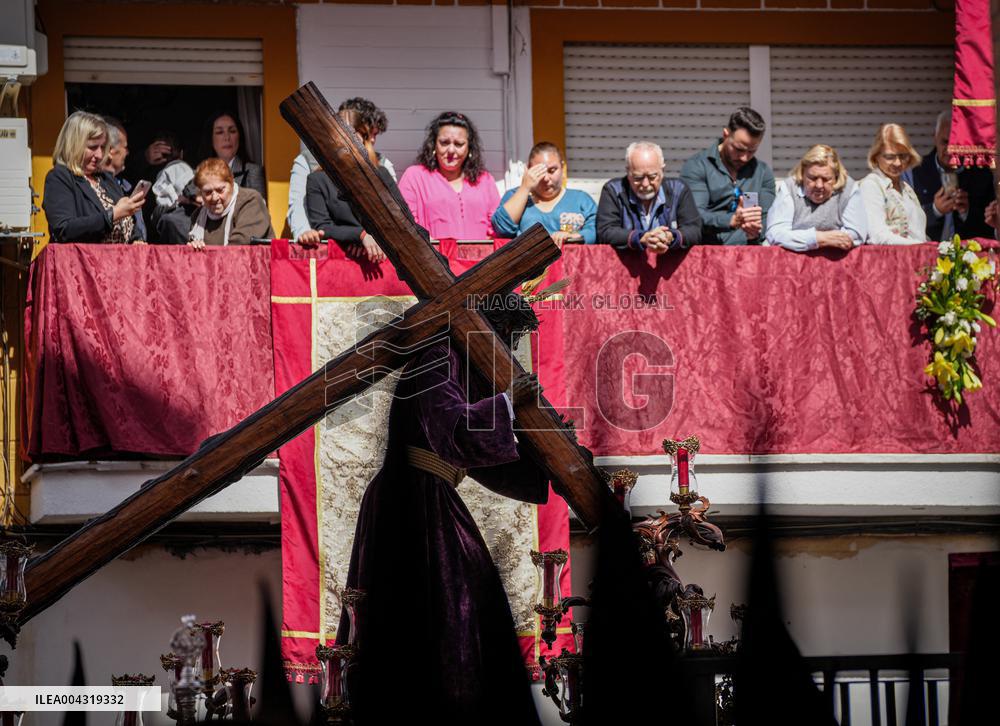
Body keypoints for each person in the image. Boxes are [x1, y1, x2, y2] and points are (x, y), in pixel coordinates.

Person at [338, 294, 547, 726]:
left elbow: (488, 463)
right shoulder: (437, 353)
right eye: (507, 340)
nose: (508, 353)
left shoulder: (457, 361)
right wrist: (507, 403)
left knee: (469, 605)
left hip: (427, 495)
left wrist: (547, 462)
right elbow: (452, 429)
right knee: (447, 614)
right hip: (410, 503)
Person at [290, 97, 396, 247]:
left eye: (374, 134)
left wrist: (369, 240)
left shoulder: (382, 166)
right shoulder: (307, 162)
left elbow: (396, 216)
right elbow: (299, 209)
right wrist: (304, 234)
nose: (372, 140)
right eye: (369, 132)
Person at [42, 111, 146, 244]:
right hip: (83, 263)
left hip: (121, 261)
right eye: (92, 147)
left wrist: (136, 239)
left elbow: (128, 223)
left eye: (103, 147)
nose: (99, 154)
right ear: (73, 146)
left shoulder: (107, 179)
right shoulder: (59, 178)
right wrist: (113, 214)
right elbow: (64, 229)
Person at [680, 107, 776, 245]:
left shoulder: (762, 173)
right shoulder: (698, 166)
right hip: (707, 255)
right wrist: (731, 220)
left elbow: (770, 219)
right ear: (726, 134)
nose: (744, 158)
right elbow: (693, 217)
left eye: (752, 151)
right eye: (739, 149)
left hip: (749, 256)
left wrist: (756, 231)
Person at [398, 111, 500, 240]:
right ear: (434, 144)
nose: (451, 150)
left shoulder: (485, 180)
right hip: (431, 259)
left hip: (480, 259)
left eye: (459, 144)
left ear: (470, 148)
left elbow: (497, 228)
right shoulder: (414, 177)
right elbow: (405, 226)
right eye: (444, 143)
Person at [595, 141, 702, 251]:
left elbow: (694, 231)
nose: (645, 184)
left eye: (652, 177)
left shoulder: (679, 190)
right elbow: (605, 232)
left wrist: (669, 237)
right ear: (628, 173)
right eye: (638, 178)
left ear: (662, 171)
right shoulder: (613, 190)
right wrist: (642, 238)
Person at [911, 111, 995, 241]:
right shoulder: (917, 171)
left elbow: (992, 227)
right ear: (935, 137)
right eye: (945, 142)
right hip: (927, 253)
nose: (950, 150)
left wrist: (966, 212)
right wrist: (935, 210)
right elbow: (906, 221)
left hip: (970, 255)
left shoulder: (981, 174)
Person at [765, 144, 866, 252]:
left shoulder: (848, 189)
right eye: (812, 178)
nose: (819, 185)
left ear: (836, 177)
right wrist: (818, 239)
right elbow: (775, 234)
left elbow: (856, 233)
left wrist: (798, 239)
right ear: (802, 174)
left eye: (826, 179)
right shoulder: (790, 187)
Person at [491, 142, 596, 245]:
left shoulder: (581, 200)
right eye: (539, 172)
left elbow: (595, 230)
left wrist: (575, 236)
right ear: (528, 169)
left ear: (562, 167)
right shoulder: (514, 196)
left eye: (552, 170)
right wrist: (525, 188)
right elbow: (501, 229)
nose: (546, 178)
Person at [859, 124, 926, 245]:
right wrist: (919, 247)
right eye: (890, 157)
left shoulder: (906, 188)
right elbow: (877, 235)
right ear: (876, 156)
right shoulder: (871, 185)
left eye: (903, 156)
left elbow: (918, 233)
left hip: (916, 258)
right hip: (889, 262)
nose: (897, 163)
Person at [187, 158, 273, 248]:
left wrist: (206, 254)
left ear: (232, 183)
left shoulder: (251, 201)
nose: (215, 197)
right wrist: (195, 249)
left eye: (220, 190)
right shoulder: (198, 217)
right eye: (208, 192)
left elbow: (239, 244)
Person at [198, 111, 267, 200]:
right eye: (220, 132)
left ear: (239, 136)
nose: (227, 137)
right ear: (210, 139)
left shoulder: (253, 172)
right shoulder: (201, 173)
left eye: (232, 131)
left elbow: (259, 211)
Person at [103, 117, 148, 243]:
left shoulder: (124, 186)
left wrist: (137, 239)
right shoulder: (92, 185)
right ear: (111, 150)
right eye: (125, 147)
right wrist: (115, 213)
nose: (127, 153)